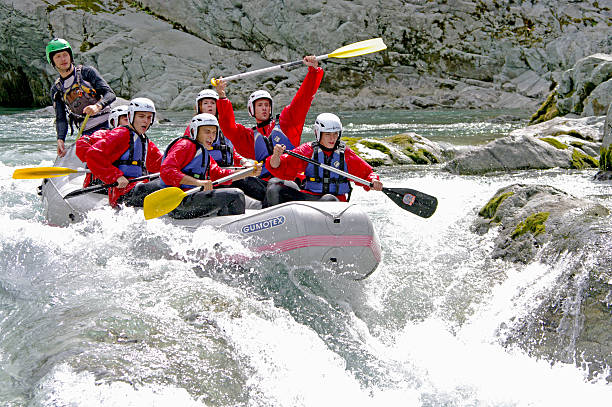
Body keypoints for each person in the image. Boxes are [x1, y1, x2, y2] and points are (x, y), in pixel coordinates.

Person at [215, 55, 324, 181]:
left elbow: (303, 99)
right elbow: (228, 127)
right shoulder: (249, 137)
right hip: (264, 184)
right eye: (260, 105)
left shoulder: (286, 122)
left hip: (290, 180)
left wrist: (313, 71)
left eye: (266, 105)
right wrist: (222, 96)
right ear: (252, 110)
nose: (264, 108)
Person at [264, 113, 383, 207]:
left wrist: (373, 181)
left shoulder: (345, 154)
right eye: (328, 134)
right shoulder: (307, 150)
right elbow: (278, 167)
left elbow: (367, 173)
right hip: (310, 199)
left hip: (335, 202)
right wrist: (276, 156)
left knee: (328, 199)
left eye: (335, 134)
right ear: (318, 133)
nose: (332, 138)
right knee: (275, 188)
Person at [160, 113, 262, 219]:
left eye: (214, 133)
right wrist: (197, 182)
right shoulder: (184, 145)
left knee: (232, 193)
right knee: (235, 195)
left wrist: (248, 173)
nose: (211, 136)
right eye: (207, 132)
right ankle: (234, 230)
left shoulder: (203, 152)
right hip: (177, 204)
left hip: (192, 199)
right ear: (195, 131)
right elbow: (166, 171)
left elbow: (219, 174)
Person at [185, 89, 266, 202]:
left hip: (227, 172)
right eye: (206, 103)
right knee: (245, 182)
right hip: (211, 177)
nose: (210, 106)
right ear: (199, 107)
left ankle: (273, 204)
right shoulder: (193, 129)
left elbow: (230, 150)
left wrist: (243, 161)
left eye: (213, 103)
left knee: (255, 182)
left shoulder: (224, 127)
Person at [86, 97, 163, 207]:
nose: (146, 121)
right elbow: (93, 155)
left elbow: (160, 163)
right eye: (141, 116)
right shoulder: (121, 134)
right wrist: (116, 176)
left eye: (149, 117)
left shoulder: (144, 140)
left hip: (139, 186)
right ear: (131, 116)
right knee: (164, 185)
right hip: (123, 192)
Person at [46, 38, 116, 157]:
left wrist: (97, 106)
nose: (63, 59)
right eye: (58, 56)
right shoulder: (57, 89)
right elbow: (61, 118)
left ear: (70, 56)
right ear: (52, 61)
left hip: (108, 124)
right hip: (87, 132)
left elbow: (110, 94)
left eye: (65, 55)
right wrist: (60, 140)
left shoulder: (87, 72)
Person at [75, 105, 129, 187]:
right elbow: (82, 146)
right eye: (126, 120)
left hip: (127, 180)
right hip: (100, 181)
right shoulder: (103, 134)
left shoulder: (138, 139)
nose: (131, 123)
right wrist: (98, 161)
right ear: (114, 121)